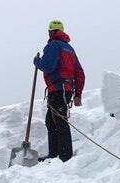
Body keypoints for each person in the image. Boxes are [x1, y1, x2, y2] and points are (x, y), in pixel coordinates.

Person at [33, 19, 85, 162]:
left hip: (58, 89)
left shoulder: (53, 45)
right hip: (65, 89)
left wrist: (36, 61)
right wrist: (78, 94)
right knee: (51, 121)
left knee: (60, 121)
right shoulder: (70, 49)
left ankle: (65, 157)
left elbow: (47, 66)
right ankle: (54, 155)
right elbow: (80, 73)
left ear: (51, 32)